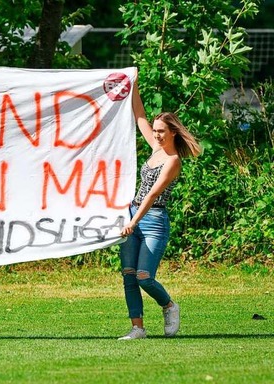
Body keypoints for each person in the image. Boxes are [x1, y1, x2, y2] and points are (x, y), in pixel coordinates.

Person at [117, 81, 202, 340]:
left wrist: (134, 221)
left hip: (152, 220)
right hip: (134, 213)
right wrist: (132, 84)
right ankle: (138, 328)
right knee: (129, 274)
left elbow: (153, 194)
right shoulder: (155, 148)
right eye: (155, 131)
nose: (156, 135)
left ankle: (169, 306)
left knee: (144, 276)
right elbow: (140, 115)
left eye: (162, 131)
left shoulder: (173, 161)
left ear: (173, 132)